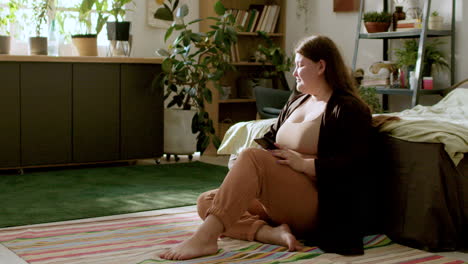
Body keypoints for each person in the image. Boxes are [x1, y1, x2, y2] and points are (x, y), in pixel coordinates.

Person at [159, 35, 377, 260]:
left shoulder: (348, 108)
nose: (294, 72)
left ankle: (204, 239)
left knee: (250, 162)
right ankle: (271, 234)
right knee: (207, 201)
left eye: (300, 65)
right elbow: (270, 138)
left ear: (321, 66)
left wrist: (303, 164)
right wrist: (242, 162)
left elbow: (355, 168)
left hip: (320, 205)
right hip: (280, 198)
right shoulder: (297, 100)